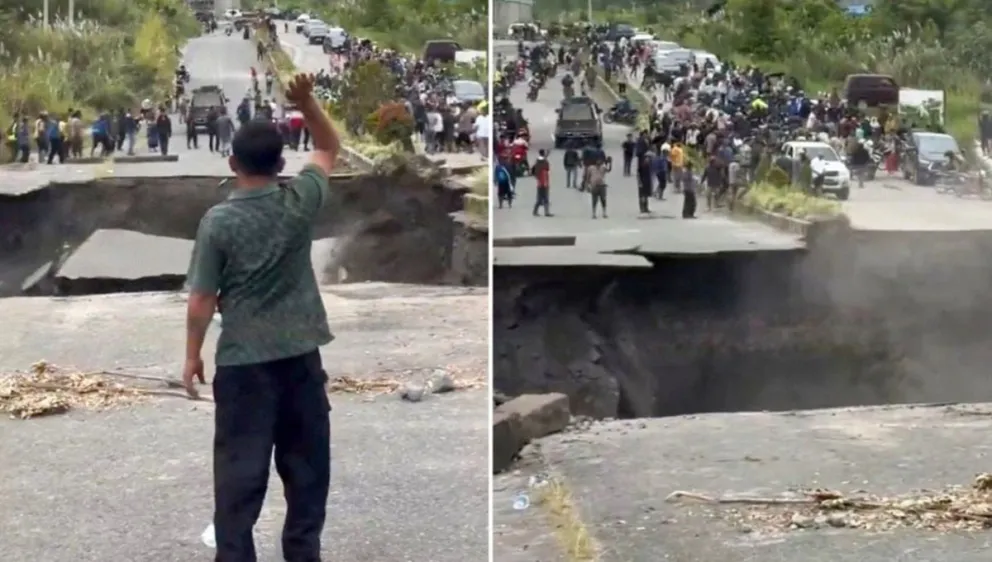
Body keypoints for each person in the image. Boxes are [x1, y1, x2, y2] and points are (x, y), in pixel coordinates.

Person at [183, 73, 340, 562]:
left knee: (238, 477)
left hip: (243, 366)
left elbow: (202, 301)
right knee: (307, 472)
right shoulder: (300, 202)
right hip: (300, 360)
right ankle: (302, 553)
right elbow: (331, 146)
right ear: (281, 163)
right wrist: (306, 102)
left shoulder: (219, 222)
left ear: (232, 164)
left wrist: (192, 357)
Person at [531, 148, 551, 216]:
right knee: (546, 199)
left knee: (539, 199)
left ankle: (535, 211)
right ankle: (546, 212)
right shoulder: (545, 162)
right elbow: (547, 168)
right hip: (544, 182)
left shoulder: (537, 162)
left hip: (539, 183)